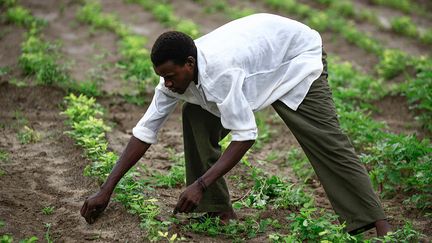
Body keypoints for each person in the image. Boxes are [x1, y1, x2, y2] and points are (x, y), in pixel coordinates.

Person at [80, 13, 391, 236]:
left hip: (295, 56)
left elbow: (245, 136)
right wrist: (106, 189)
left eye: (171, 76)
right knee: (196, 114)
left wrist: (198, 184)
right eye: (163, 76)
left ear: (190, 64)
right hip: (258, 57)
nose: (167, 83)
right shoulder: (174, 79)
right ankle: (218, 210)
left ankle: (377, 223)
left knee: (325, 139)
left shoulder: (221, 75)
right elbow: (144, 133)